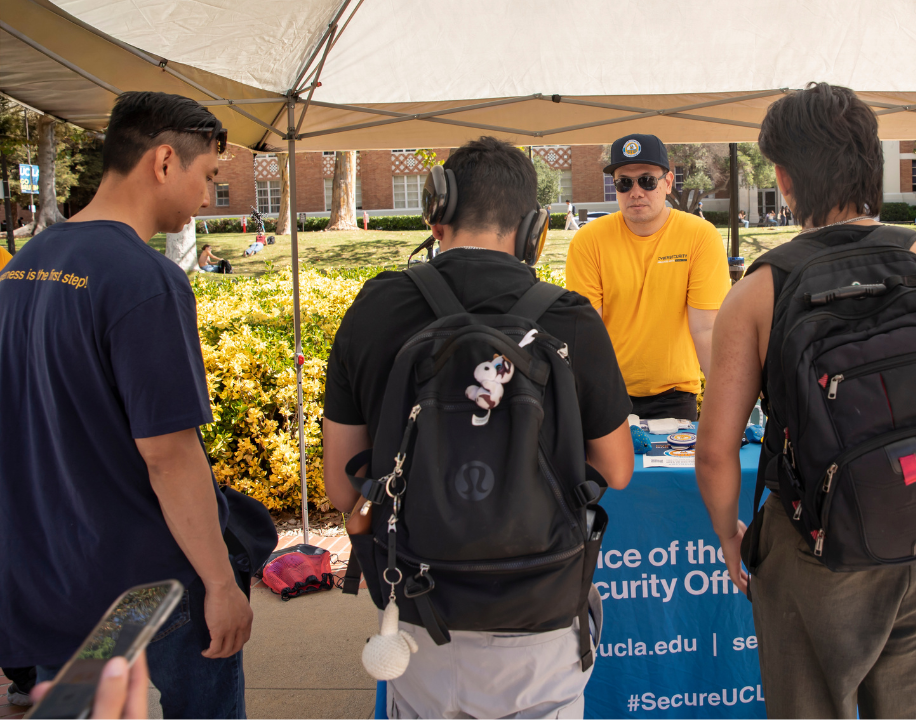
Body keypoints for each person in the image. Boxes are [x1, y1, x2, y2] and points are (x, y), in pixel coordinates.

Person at [696, 82, 916, 719]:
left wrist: (729, 534)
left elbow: (714, 452)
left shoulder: (760, 291)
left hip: (812, 549)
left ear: (786, 181)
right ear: (871, 164)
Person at [323, 136, 634, 719]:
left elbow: (343, 488)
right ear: (535, 229)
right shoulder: (569, 316)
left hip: (417, 609)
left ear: (435, 212)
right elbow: (616, 468)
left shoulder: (376, 307)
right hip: (540, 611)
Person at [0, 91, 251, 718]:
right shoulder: (145, 278)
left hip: (55, 578)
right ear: (165, 161)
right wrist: (221, 584)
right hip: (147, 587)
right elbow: (168, 453)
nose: (205, 197)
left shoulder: (21, 267)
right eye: (209, 176)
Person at [564, 133, 730, 420]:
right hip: (606, 393)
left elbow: (706, 329)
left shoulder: (700, 236)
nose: (636, 192)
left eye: (647, 180)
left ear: (667, 183)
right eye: (624, 183)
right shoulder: (588, 240)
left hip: (675, 395)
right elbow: (589, 330)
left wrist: (727, 405)